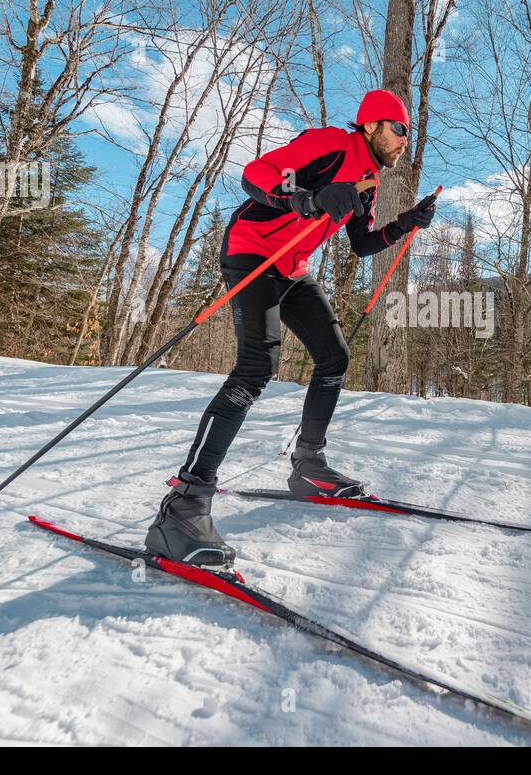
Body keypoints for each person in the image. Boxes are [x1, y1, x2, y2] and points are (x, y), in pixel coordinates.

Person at [144, 89, 437, 568]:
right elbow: (254, 175)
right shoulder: (329, 144)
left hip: (292, 266)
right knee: (258, 366)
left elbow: (362, 243)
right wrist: (306, 198)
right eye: (398, 128)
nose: (405, 140)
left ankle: (308, 465)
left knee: (334, 357)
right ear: (370, 124)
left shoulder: (367, 178)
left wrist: (407, 222)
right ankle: (185, 506)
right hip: (253, 251)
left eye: (408, 132)